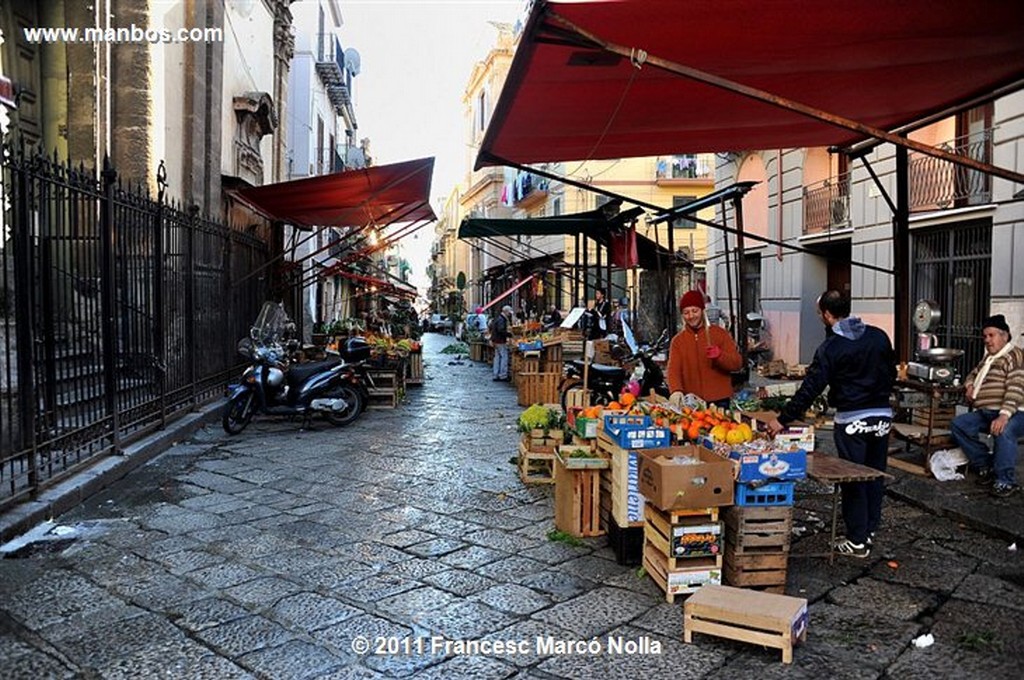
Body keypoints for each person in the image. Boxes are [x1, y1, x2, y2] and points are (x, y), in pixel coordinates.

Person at [767, 291, 896, 558]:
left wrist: (783, 419)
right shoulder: (879, 336)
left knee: (853, 478)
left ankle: (857, 540)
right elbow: (892, 372)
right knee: (875, 474)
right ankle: (869, 529)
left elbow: (810, 388)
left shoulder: (831, 348)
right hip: (882, 416)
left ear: (827, 315)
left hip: (852, 420)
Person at [950, 314, 1024, 498]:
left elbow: (1016, 387)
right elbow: (971, 375)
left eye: (991, 336)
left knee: (1004, 431)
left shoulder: (1014, 355)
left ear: (1004, 336)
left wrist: (1004, 415)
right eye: (985, 336)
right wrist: (969, 386)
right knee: (959, 425)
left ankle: (1006, 481)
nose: (987, 341)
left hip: (1015, 412)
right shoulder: (988, 359)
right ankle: (987, 465)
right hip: (987, 412)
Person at [666, 290, 743, 408]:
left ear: (702, 311)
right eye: (686, 312)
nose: (691, 316)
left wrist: (720, 356)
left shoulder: (719, 334)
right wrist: (676, 390)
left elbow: (737, 363)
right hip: (692, 402)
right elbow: (673, 370)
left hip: (720, 400)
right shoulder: (678, 341)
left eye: (694, 311)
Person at [490, 304, 514, 381]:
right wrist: (509, 334)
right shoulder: (502, 319)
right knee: (504, 357)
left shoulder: (498, 318)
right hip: (500, 341)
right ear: (506, 312)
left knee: (497, 357)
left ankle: (495, 374)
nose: (509, 314)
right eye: (509, 313)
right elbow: (501, 330)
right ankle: (503, 375)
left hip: (496, 340)